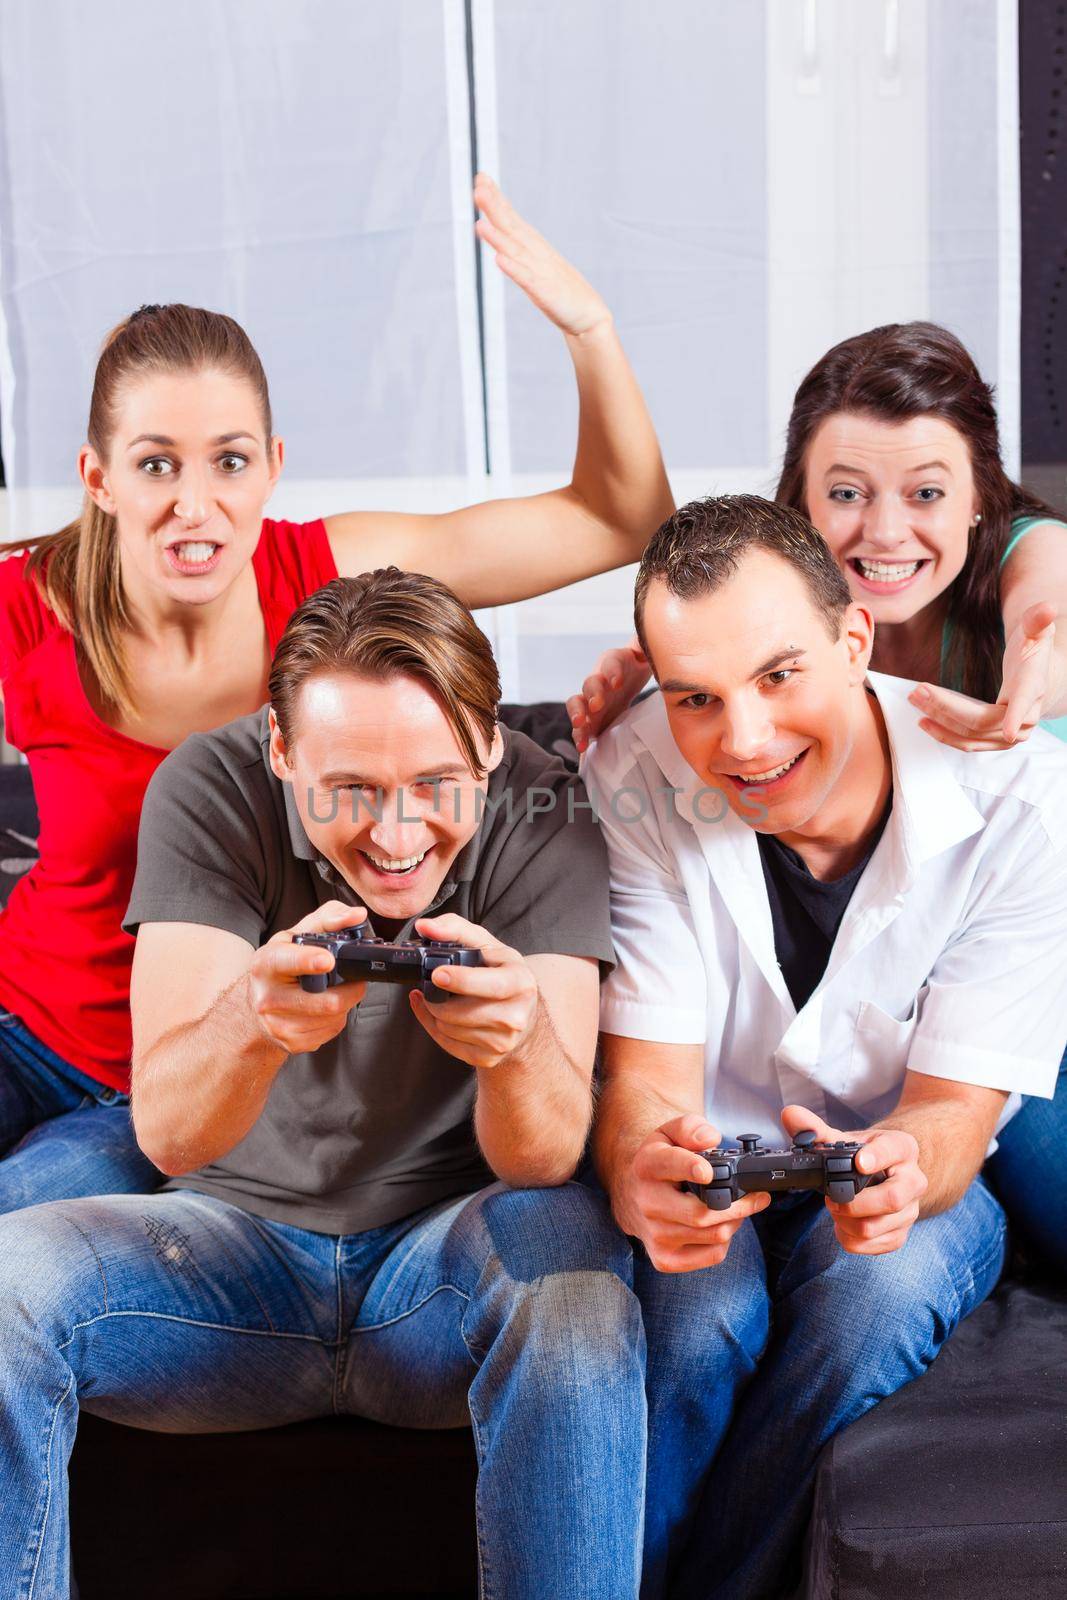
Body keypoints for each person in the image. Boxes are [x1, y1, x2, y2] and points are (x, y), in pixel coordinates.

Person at [0, 173, 674, 1215]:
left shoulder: (333, 584)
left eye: (228, 461)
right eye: (154, 464)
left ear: (271, 466)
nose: (196, 505)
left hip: (193, 1080)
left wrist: (588, 327)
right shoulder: (26, 608)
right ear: (97, 478)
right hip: (36, 1030)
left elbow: (618, 518)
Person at [0, 568, 646, 1600]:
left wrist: (518, 1044)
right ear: (282, 753)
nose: (394, 839)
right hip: (227, 1257)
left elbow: (540, 1157)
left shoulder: (544, 806)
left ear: (487, 749)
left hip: (440, 1268)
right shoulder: (207, 786)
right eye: (348, 791)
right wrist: (251, 1025)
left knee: (576, 1296)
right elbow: (166, 1132)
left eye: (435, 786)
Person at [583, 495, 1067, 1599]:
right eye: (694, 698)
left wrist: (907, 1166)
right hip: (724, 1167)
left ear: (854, 640)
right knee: (694, 1316)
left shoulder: (1021, 802)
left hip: (908, 1174)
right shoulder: (632, 770)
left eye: (778, 676)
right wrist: (638, 1165)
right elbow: (648, 1080)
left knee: (874, 1294)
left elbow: (952, 1110)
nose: (742, 740)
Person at [571, 321, 1067, 1269]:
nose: (883, 531)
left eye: (925, 493)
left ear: (980, 509)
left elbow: (1039, 596)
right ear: (795, 507)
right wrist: (670, 667)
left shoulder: (1021, 627)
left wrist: (1031, 661)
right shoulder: (689, 721)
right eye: (844, 494)